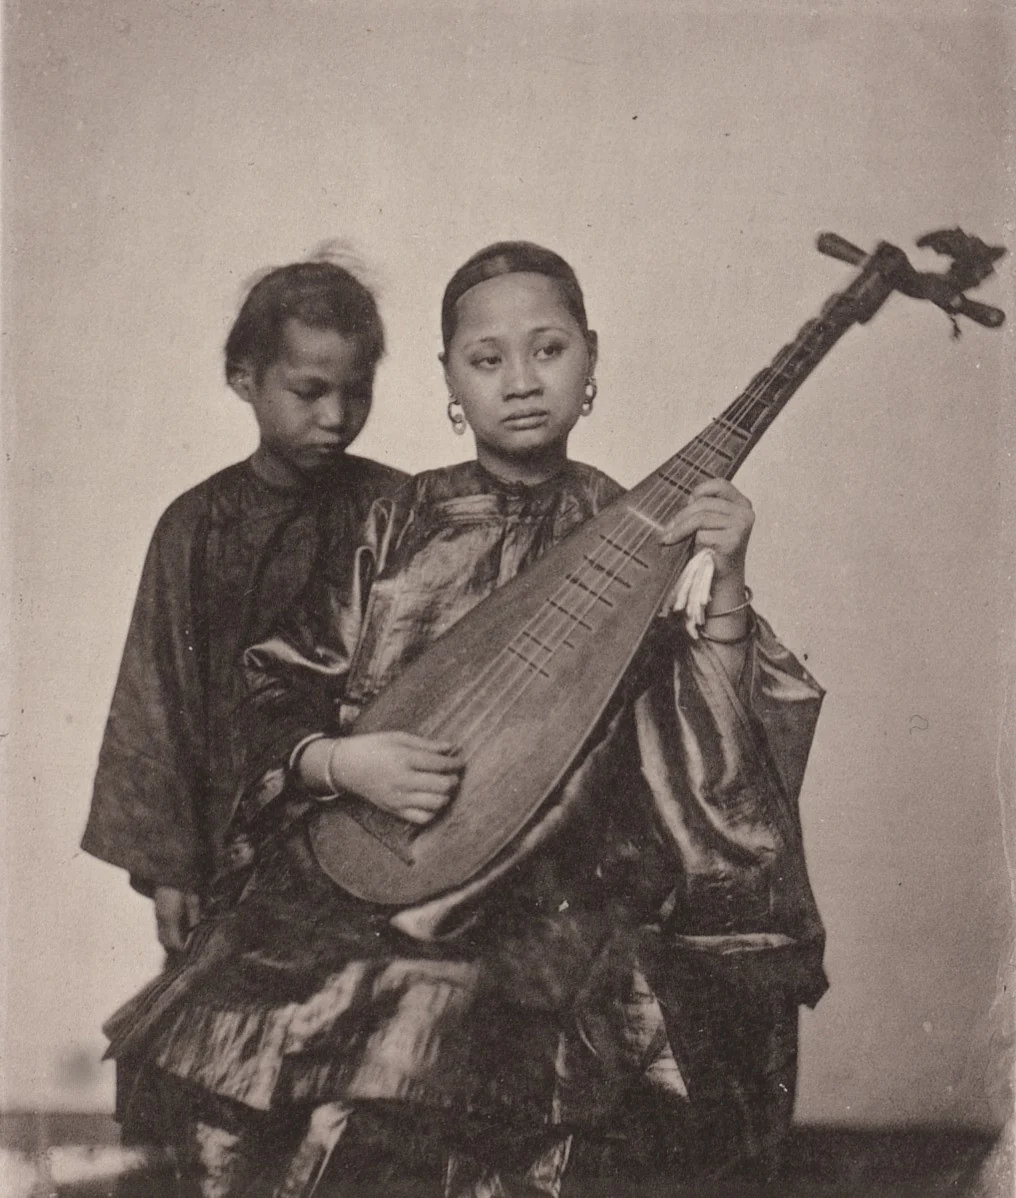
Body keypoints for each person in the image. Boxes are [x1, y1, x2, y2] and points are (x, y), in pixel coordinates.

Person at [105, 242, 827, 1197]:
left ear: (592, 357)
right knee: (269, 1020)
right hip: (379, 875)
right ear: (449, 377)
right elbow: (271, 692)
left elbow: (712, 738)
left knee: (497, 1027)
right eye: (487, 360)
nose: (521, 382)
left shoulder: (632, 524)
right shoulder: (396, 520)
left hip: (565, 890)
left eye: (548, 350)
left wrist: (726, 574)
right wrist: (341, 764)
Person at [82, 255, 406, 961]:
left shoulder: (399, 507)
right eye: (309, 392)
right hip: (234, 845)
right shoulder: (195, 526)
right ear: (243, 379)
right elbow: (160, 699)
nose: (335, 417)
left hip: (379, 836)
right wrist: (170, 870)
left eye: (356, 392)